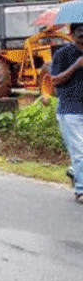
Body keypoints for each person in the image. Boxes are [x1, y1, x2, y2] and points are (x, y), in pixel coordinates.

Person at [49, 22, 83, 203]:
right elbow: (54, 81)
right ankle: (81, 190)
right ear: (71, 34)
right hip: (70, 110)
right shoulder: (62, 54)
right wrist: (76, 66)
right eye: (81, 35)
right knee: (80, 151)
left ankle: (74, 172)